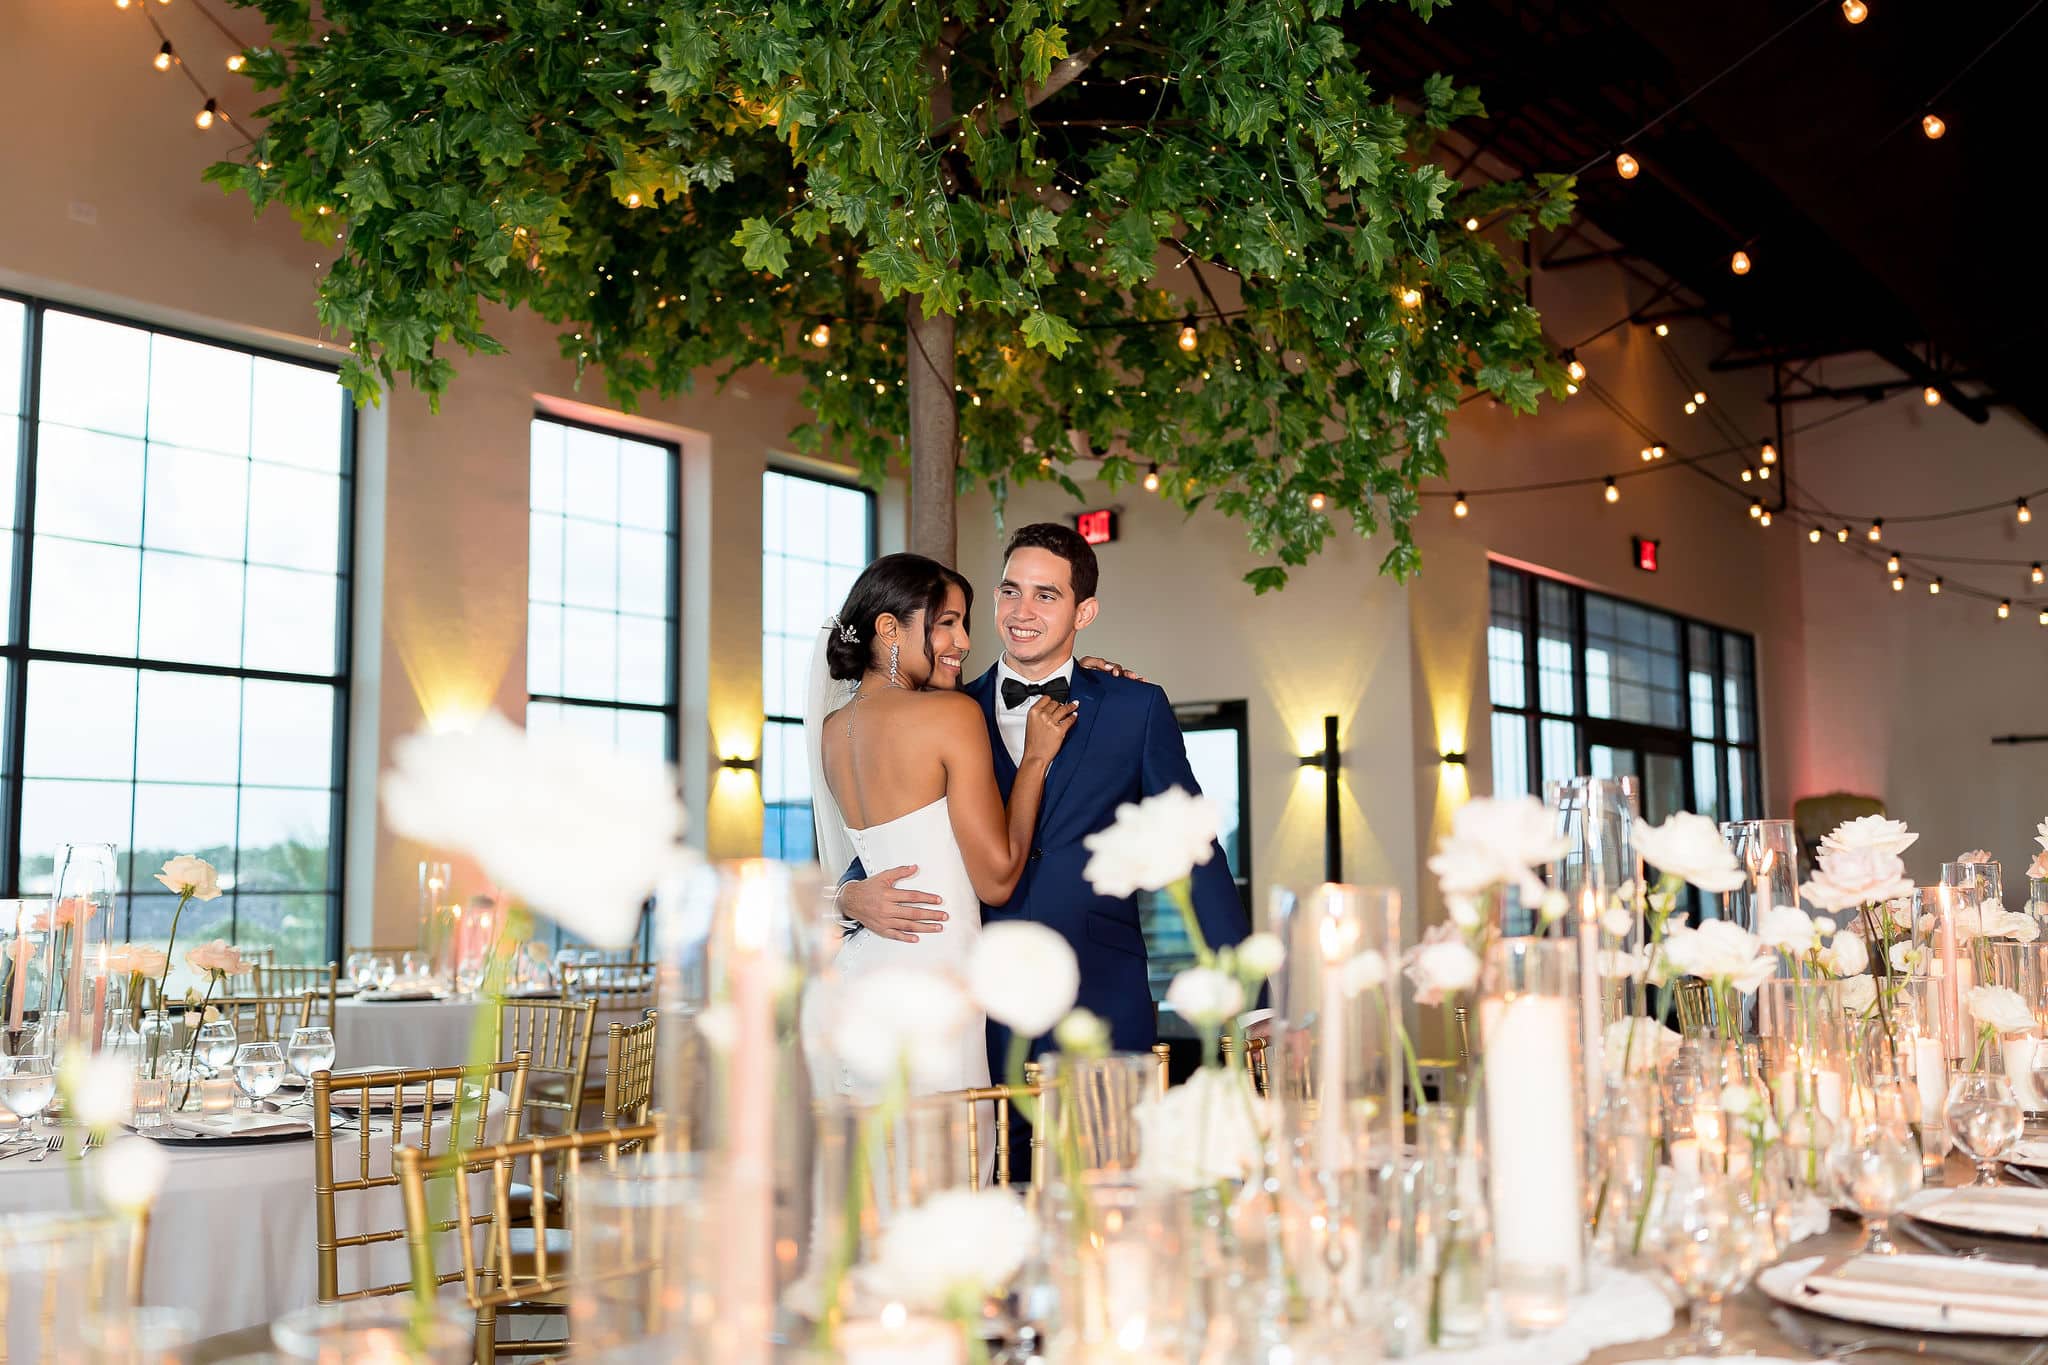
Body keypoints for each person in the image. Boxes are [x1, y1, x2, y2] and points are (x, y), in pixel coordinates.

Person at [837, 523, 1250, 1057]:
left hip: (1100, 996)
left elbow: (1194, 848)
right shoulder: (947, 710)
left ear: (1084, 613)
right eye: (1011, 591)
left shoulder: (1134, 708)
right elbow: (893, 828)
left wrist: (1253, 998)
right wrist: (848, 895)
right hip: (977, 1009)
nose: (1021, 611)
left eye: (1045, 595)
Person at [806, 552, 1077, 1104]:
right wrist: (1033, 762)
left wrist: (847, 897)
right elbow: (998, 880)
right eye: (946, 623)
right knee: (949, 1162)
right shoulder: (950, 715)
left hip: (861, 972)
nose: (964, 642)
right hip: (931, 977)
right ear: (889, 629)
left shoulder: (835, 728)